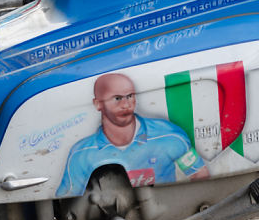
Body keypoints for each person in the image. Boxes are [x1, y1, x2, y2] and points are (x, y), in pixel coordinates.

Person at [56, 72, 210, 197]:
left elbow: (200, 176)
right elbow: (68, 201)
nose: (126, 104)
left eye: (130, 96)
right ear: (98, 104)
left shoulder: (169, 135)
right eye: (117, 98)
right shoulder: (81, 154)